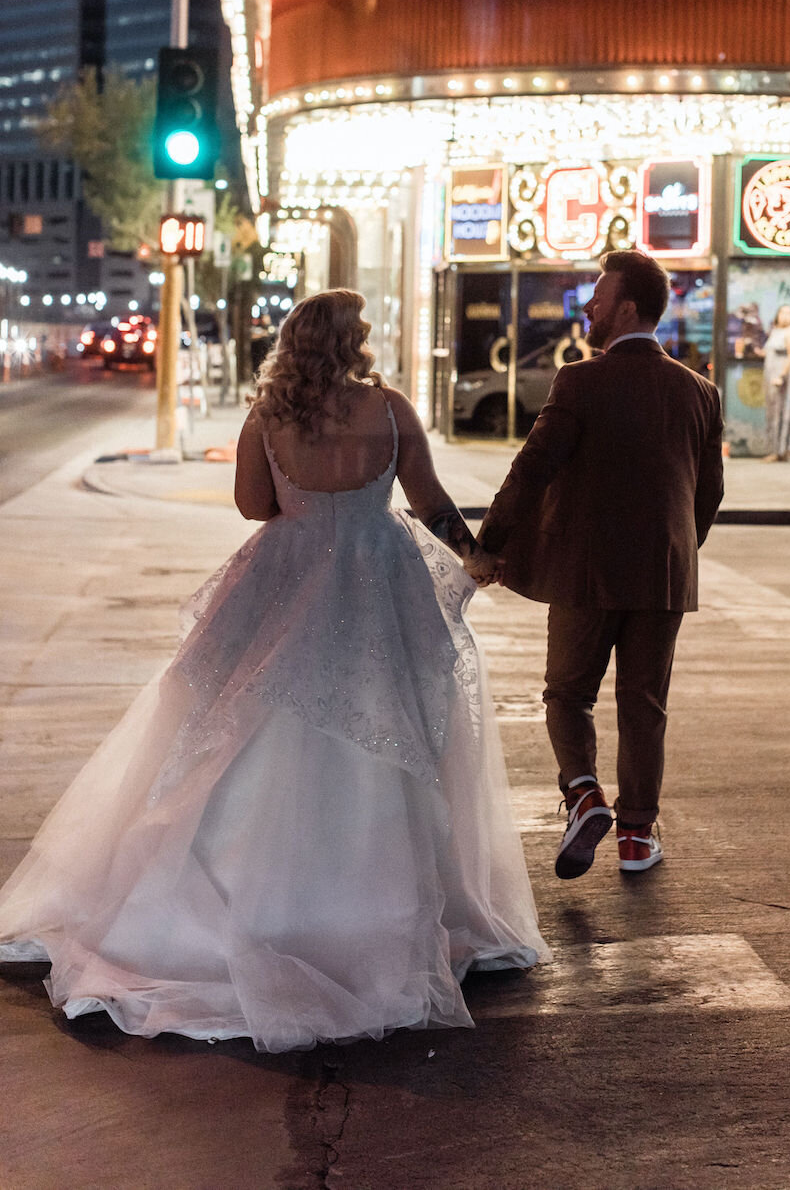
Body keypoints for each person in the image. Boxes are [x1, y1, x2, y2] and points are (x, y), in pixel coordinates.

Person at [0, 290, 547, 1051]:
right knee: (386, 728)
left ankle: (239, 903)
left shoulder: (268, 415)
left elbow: (253, 507)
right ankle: (378, 904)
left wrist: (305, 496)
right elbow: (430, 502)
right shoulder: (390, 410)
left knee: (242, 729)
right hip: (378, 579)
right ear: (354, 340)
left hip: (285, 579)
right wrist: (476, 556)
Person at [475, 250, 724, 880]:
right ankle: (637, 837)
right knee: (644, 704)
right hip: (665, 574)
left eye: (600, 296)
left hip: (586, 570)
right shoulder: (701, 392)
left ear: (628, 308)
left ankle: (584, 796)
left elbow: (533, 467)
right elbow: (710, 492)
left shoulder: (580, 380)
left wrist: (490, 542)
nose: (588, 305)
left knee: (567, 693)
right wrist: (674, 548)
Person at [757, 303, 790, 462]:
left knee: (785, 412)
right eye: (782, 312)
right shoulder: (775, 331)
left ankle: (783, 450)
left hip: (785, 378)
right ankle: (775, 449)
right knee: (774, 413)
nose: (785, 316)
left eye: (788, 313)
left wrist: (781, 376)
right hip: (772, 376)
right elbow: (770, 352)